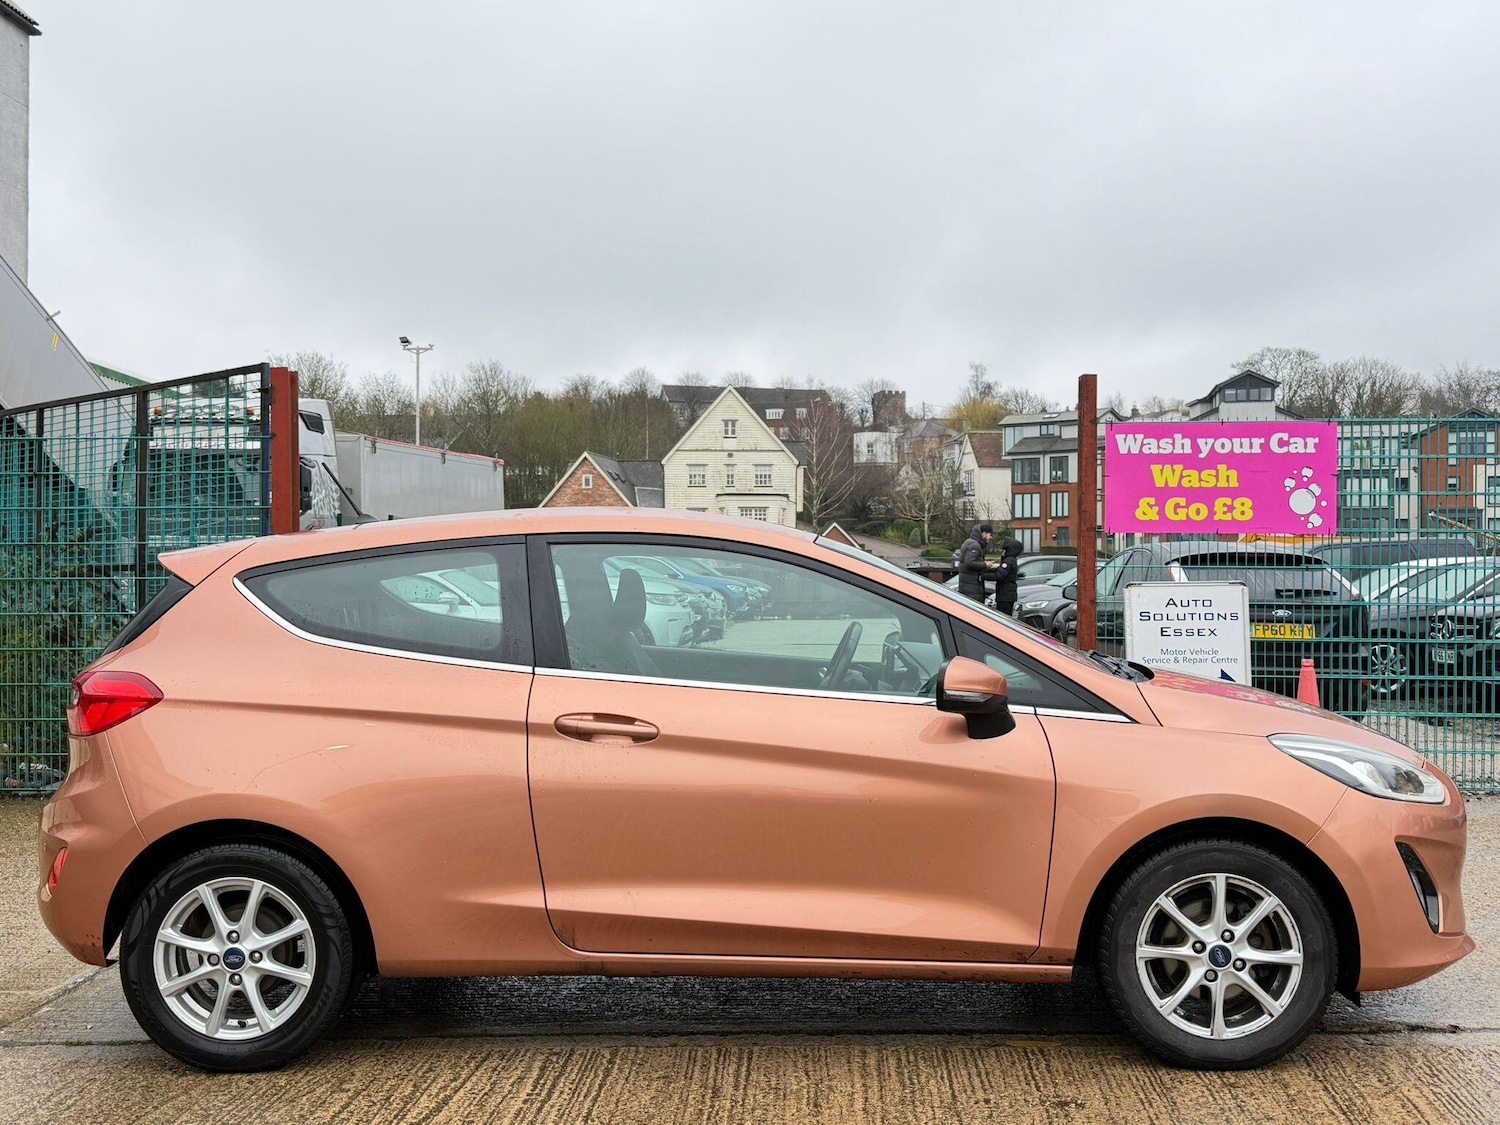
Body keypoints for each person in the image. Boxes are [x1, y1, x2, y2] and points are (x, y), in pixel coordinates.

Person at [955, 524, 997, 602]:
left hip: (967, 587)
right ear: (984, 534)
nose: (991, 538)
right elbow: (970, 563)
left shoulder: (969, 542)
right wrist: (985, 565)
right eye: (990, 535)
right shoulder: (974, 545)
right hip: (972, 589)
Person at [993, 537, 1024, 616]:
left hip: (1004, 595)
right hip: (1008, 595)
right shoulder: (1012, 560)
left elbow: (999, 576)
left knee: (1003, 616)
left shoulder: (1008, 561)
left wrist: (983, 576)